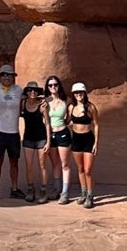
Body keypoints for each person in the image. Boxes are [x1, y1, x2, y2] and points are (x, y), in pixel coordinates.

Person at [0, 63, 25, 200]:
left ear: (13, 77)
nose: (6, 77)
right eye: (4, 75)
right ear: (0, 77)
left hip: (13, 132)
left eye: (9, 75)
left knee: (14, 161)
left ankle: (14, 188)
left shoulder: (18, 90)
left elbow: (32, 98)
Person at [68, 80, 100, 208]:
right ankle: (83, 193)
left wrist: (96, 143)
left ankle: (90, 195)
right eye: (76, 92)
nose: (78, 94)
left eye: (80, 92)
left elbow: (96, 125)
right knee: (80, 168)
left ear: (84, 93)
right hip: (76, 139)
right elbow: (65, 121)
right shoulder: (71, 107)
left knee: (88, 170)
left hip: (88, 139)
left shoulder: (91, 107)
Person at [43, 73, 73, 203]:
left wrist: (67, 121)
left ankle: (65, 192)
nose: (53, 87)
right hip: (51, 135)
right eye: (50, 85)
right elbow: (44, 119)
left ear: (59, 85)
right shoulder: (45, 101)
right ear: (48, 87)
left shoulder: (66, 100)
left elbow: (69, 117)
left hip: (62, 133)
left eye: (55, 84)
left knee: (65, 164)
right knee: (55, 164)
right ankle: (57, 189)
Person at [19, 80, 48, 201]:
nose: (33, 92)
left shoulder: (42, 105)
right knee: (29, 165)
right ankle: (30, 190)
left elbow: (47, 123)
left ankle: (43, 190)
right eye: (30, 90)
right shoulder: (23, 103)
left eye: (35, 90)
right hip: (28, 138)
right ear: (27, 92)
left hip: (41, 138)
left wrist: (48, 141)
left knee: (42, 165)